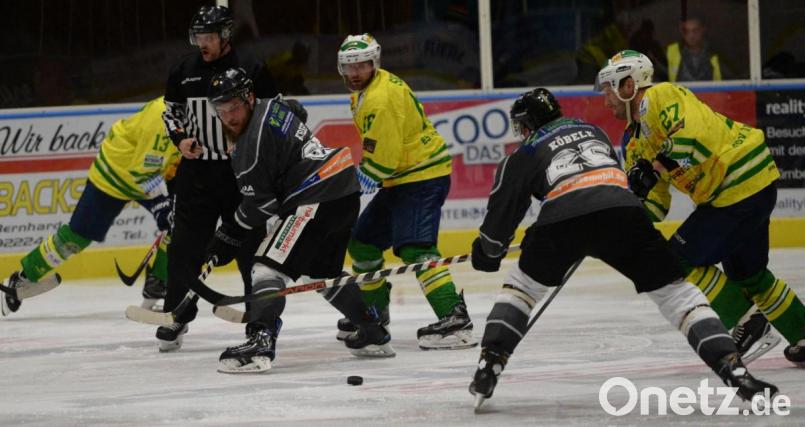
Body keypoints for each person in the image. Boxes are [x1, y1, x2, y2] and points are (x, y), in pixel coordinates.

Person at [467, 88, 778, 409]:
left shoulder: (525, 152)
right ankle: (734, 370)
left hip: (561, 217)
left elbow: (499, 225)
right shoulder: (593, 131)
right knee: (678, 295)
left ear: (527, 124)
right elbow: (607, 184)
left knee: (521, 290)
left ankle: (489, 365)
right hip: (623, 211)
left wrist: (487, 252)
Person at [596, 50, 805, 368]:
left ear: (628, 85)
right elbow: (657, 201)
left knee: (675, 260)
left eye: (609, 89)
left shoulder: (661, 96)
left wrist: (653, 168)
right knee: (749, 275)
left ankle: (749, 323)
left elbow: (692, 135)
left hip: (735, 184)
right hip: (749, 186)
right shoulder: (633, 142)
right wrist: (627, 216)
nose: (605, 98)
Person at [204, 68, 393, 373]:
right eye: (221, 110)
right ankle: (373, 332)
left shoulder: (249, 150)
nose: (228, 117)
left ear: (249, 98)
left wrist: (229, 233)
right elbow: (297, 110)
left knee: (267, 268)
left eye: (234, 107)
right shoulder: (272, 105)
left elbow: (262, 206)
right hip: (343, 189)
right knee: (321, 273)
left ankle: (261, 341)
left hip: (316, 196)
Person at [335, 33, 476, 350]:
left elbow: (382, 160)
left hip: (421, 176)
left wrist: (349, 188)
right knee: (363, 243)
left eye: (361, 65)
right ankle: (372, 315)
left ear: (374, 63)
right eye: (349, 66)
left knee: (415, 249)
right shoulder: (368, 89)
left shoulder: (379, 99)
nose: (355, 72)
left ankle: (455, 320)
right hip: (401, 178)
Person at [158, 5, 278, 352]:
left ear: (225, 35)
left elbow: (274, 112)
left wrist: (251, 147)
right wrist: (181, 139)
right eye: (198, 37)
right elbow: (171, 112)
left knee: (250, 250)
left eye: (209, 37)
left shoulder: (252, 67)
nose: (203, 44)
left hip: (242, 174)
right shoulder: (184, 69)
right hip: (197, 174)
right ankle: (177, 314)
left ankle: (259, 323)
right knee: (184, 247)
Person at [1, 97, 179, 316]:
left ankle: (158, 283)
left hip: (155, 174)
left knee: (180, 221)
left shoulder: (198, 113)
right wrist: (161, 204)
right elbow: (142, 170)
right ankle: (23, 278)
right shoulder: (161, 117)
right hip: (115, 174)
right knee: (76, 238)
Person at [666, 16, 722, 82]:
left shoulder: (714, 53)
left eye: (695, 31)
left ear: (703, 30)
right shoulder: (672, 51)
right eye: (686, 31)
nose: (691, 35)